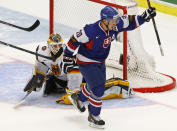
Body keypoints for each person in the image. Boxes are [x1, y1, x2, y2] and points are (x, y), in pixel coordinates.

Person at [62, 6, 156, 128]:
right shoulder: (90, 30)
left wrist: (144, 16)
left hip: (101, 61)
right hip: (86, 61)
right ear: (105, 20)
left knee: (93, 84)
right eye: (113, 21)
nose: (115, 23)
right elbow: (74, 40)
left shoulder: (116, 24)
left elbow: (131, 22)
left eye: (116, 20)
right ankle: (93, 116)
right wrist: (67, 56)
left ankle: (78, 98)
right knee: (99, 89)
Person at [23, 33, 133, 103]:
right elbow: (41, 64)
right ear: (48, 45)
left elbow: (75, 72)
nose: (57, 48)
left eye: (60, 45)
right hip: (62, 78)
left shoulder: (67, 54)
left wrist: (72, 94)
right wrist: (37, 78)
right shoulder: (42, 51)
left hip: (83, 76)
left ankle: (119, 86)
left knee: (90, 94)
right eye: (54, 46)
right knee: (49, 84)